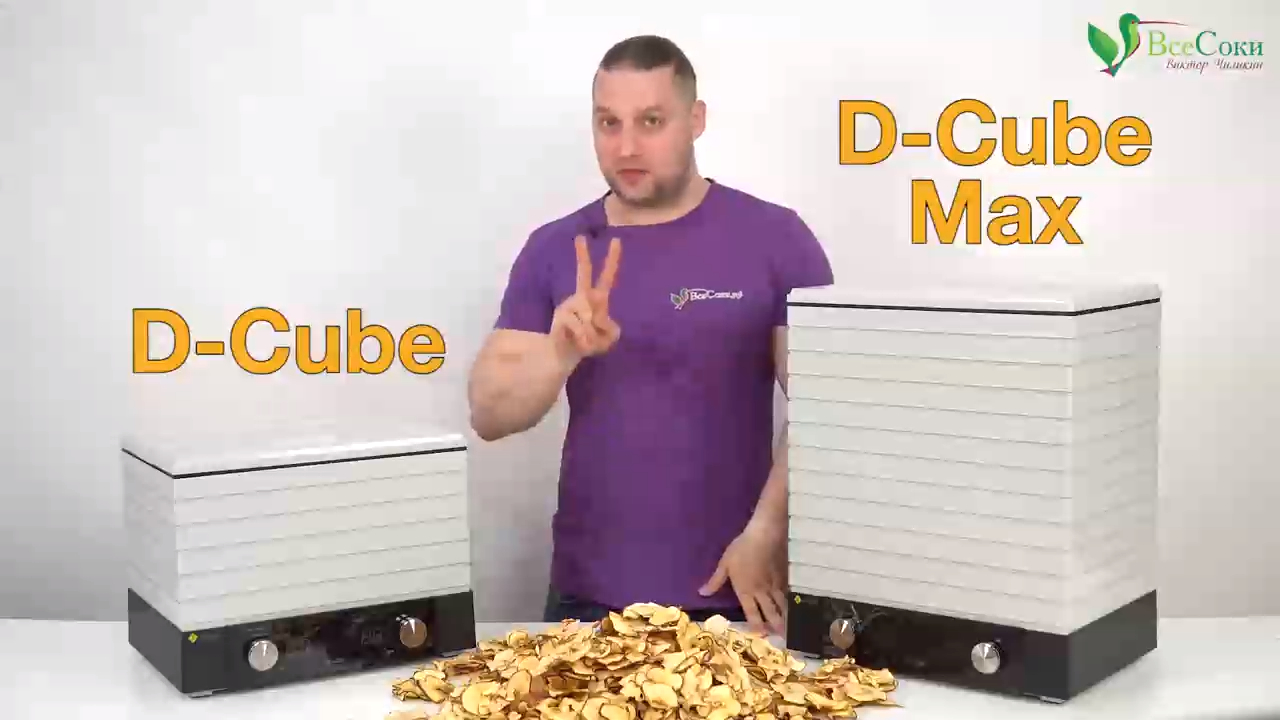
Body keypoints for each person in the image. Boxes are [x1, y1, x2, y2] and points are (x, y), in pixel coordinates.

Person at [466, 34, 833, 636]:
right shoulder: (556, 248)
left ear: (696, 120)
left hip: (733, 598)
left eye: (651, 121)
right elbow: (489, 414)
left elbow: (828, 406)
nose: (627, 146)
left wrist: (766, 532)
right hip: (587, 604)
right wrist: (559, 352)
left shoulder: (776, 238)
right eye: (608, 122)